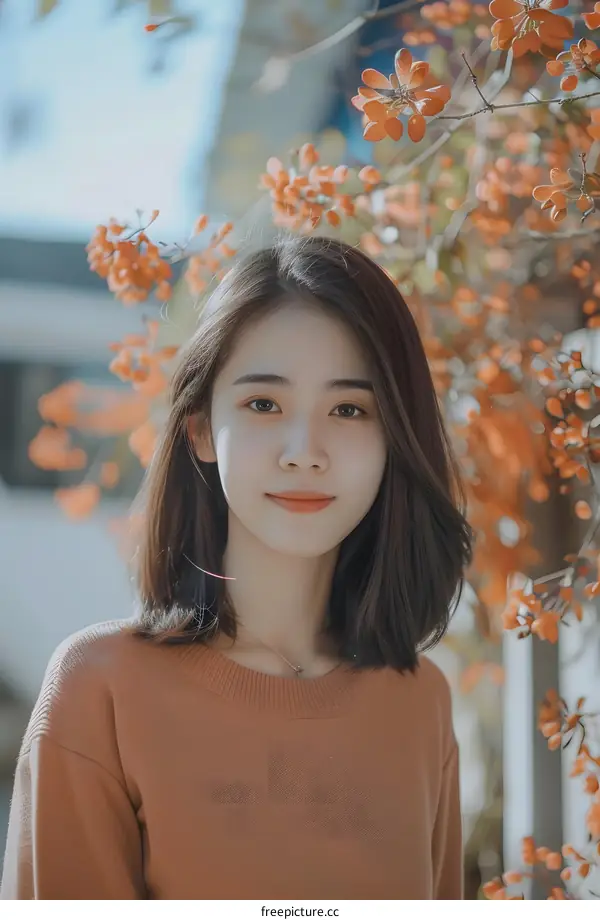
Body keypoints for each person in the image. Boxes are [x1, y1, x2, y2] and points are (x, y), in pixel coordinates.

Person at [1, 235, 474, 900]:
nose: (304, 451)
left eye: (348, 409)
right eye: (263, 404)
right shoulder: (98, 691)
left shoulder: (420, 701)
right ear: (198, 427)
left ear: (394, 436)